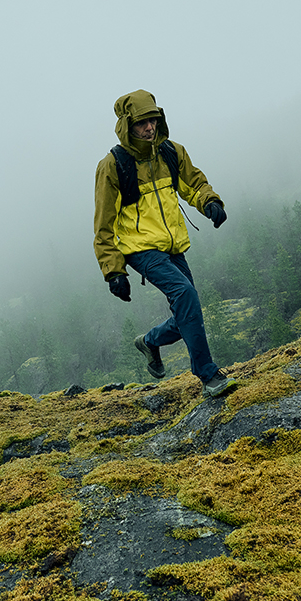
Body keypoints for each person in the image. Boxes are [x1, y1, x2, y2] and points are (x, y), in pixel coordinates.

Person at [93, 89, 236, 398]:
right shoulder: (113, 165)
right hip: (140, 249)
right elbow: (103, 225)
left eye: (153, 120)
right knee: (185, 295)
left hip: (173, 246)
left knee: (189, 307)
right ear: (127, 125)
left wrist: (209, 202)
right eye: (143, 123)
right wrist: (114, 271)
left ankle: (150, 341)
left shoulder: (171, 152)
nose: (150, 128)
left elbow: (194, 184)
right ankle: (208, 375)